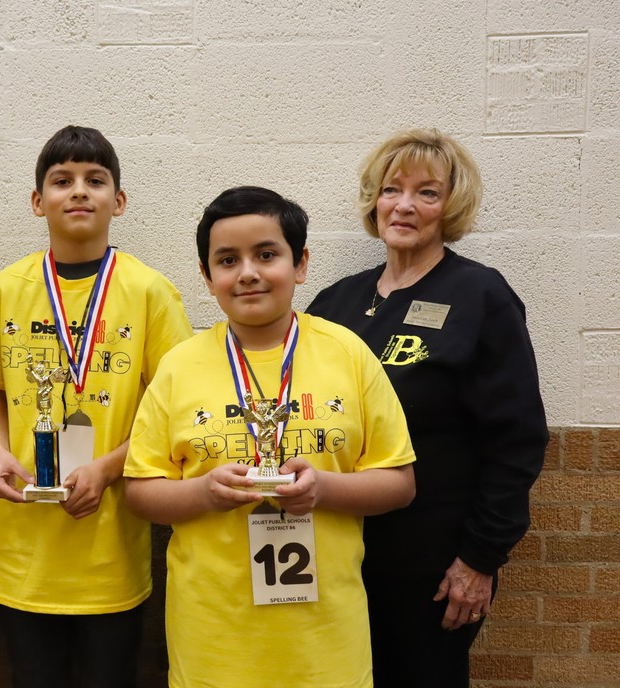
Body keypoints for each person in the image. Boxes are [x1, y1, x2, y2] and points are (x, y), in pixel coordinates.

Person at [124, 186, 417, 688]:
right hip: (213, 642)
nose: (248, 272)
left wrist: (323, 489)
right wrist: (201, 493)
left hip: (326, 646)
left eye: (266, 254)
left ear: (300, 264)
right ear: (206, 275)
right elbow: (139, 490)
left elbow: (400, 482)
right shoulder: (180, 367)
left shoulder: (347, 353)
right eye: (227, 259)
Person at [306, 128, 548, 687]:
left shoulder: (480, 297)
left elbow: (517, 441)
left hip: (433, 563)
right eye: (392, 189)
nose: (405, 205)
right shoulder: (335, 301)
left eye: (427, 193)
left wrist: (480, 558)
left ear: (450, 206)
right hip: (336, 552)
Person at [0, 125, 193, 688]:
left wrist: (108, 467)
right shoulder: (6, 290)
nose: (79, 191)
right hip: (24, 550)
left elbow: (177, 411)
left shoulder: (150, 293)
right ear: (38, 202)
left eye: (95, 179)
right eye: (61, 181)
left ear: (119, 200)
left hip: (110, 553)